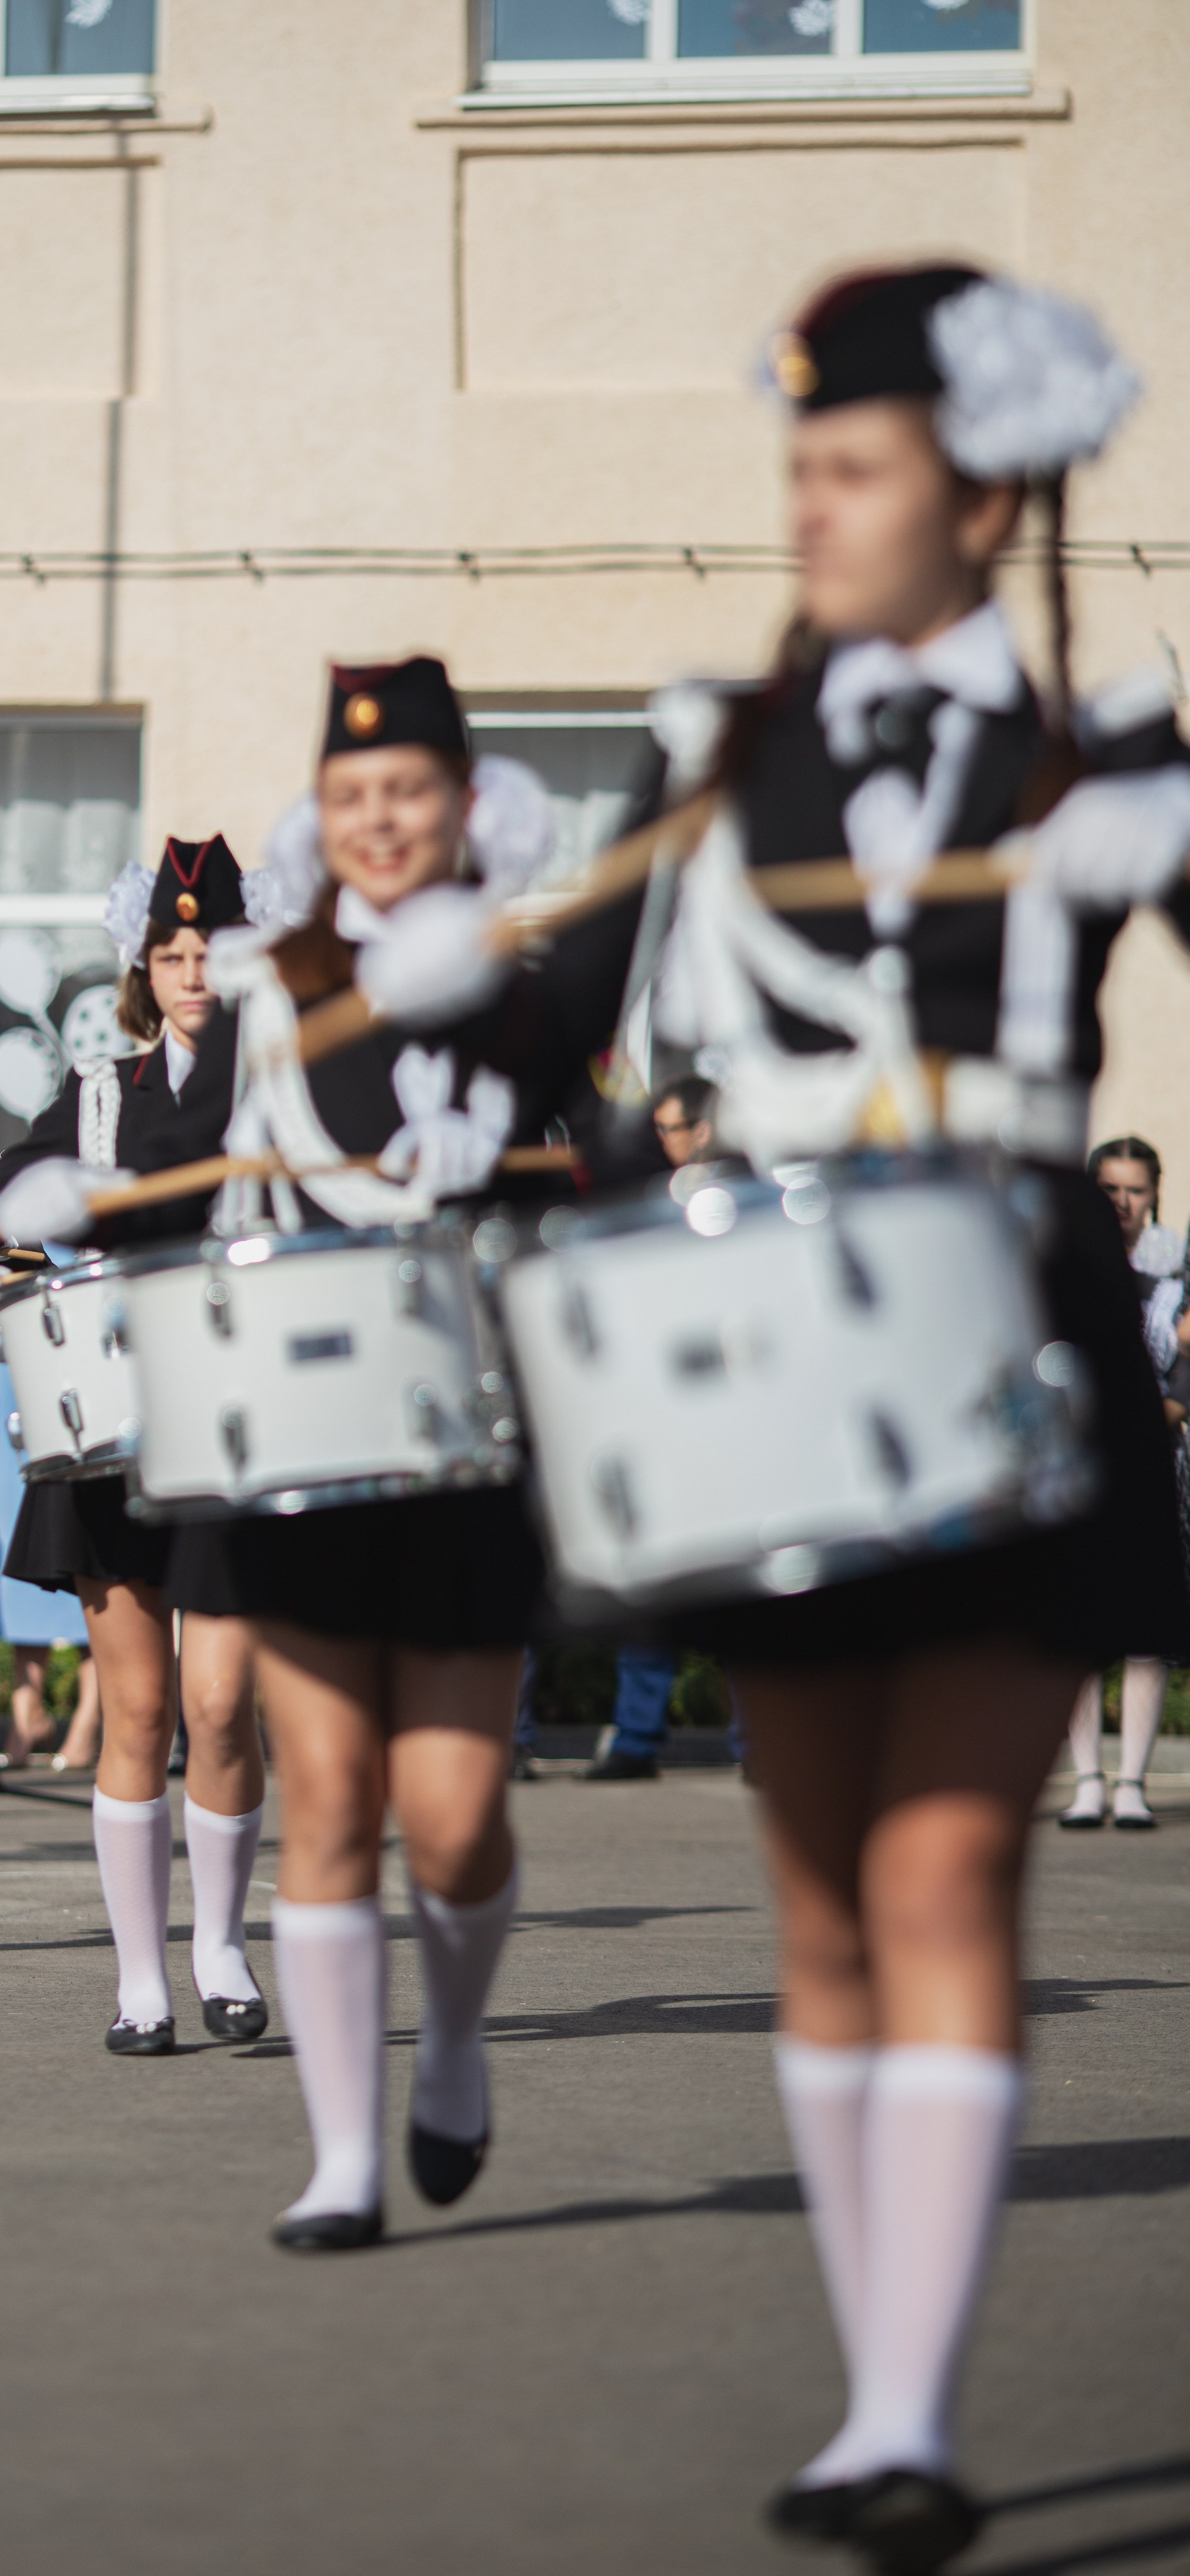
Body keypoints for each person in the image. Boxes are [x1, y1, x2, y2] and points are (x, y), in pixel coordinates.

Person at [360, 268, 1190, 2564]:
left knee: (947, 1869)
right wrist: (434, 989)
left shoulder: (1104, 741)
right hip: (782, 1358)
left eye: (856, 469)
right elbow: (569, 1013)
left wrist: (1171, 834)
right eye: (799, 468)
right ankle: (869, 2381)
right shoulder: (722, 738)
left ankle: (910, 2420)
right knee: (823, 1895)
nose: (809, 509)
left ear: (985, 495)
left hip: (1016, 1326)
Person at [174, 655, 559, 2251]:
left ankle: (453, 2041)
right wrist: (59, 1200)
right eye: (349, 796)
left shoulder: (518, 983)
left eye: (405, 790)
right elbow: (179, 1164)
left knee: (453, 1819)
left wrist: (514, 1156)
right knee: (327, 1797)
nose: (377, 819)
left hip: (468, 1445)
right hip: (307, 1440)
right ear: (318, 815)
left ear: (460, 803)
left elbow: (607, 1174)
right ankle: (340, 2159)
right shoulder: (269, 986)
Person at [0, 840, 270, 2053]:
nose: (194, 975)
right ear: (144, 969)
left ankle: (221, 1945)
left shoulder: (281, 1083)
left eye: (213, 954)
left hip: (238, 1431)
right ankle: (140, 1979)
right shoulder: (97, 1093)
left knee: (221, 1707)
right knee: (138, 1712)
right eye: (173, 956)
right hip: (114, 1434)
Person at [586, 1077, 724, 1784]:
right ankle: (636, 1737)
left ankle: (759, 1741)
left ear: (703, 1130)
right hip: (661, 1408)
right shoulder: (645, 1202)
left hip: (727, 1410)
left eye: (667, 1129)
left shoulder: (736, 1200)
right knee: (649, 1581)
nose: (658, 1143)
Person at [1061, 1138, 1185, 1829]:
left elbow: (1186, 1374)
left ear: (1154, 1193)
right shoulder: (1066, 1257)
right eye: (1110, 1188)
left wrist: (1143, 1427)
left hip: (1153, 1457)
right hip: (1078, 1462)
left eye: (1135, 1190)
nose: (1123, 1202)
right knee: (1078, 1626)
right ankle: (1087, 1781)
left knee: (1145, 1626)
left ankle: (1132, 1781)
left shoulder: (1178, 1265)